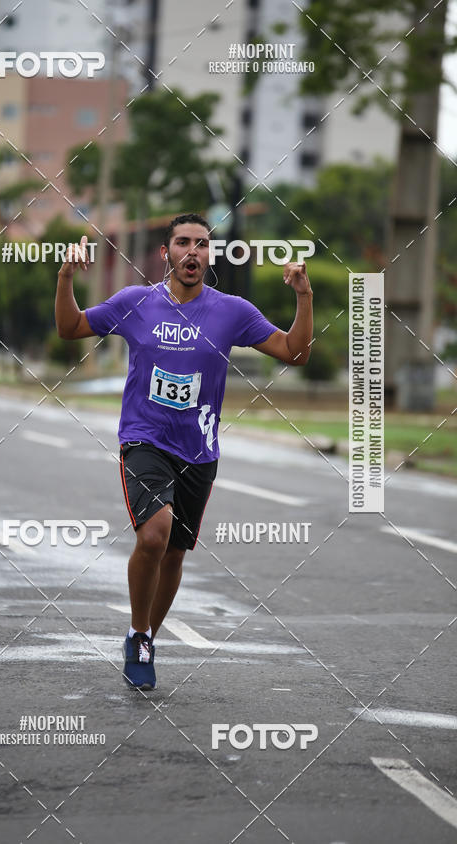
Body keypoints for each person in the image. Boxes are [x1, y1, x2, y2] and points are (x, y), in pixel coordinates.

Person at [55, 213, 313, 690]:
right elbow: (71, 327)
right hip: (145, 438)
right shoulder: (136, 303)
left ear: (210, 256)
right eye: (183, 243)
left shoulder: (231, 311)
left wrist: (303, 296)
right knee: (154, 535)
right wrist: (66, 277)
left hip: (199, 449)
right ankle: (139, 634)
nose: (192, 251)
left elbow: (294, 353)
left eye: (202, 244)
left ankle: (147, 637)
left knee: (174, 553)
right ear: (165, 253)